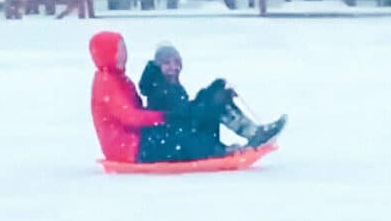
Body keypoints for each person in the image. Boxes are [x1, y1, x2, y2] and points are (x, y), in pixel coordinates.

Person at [89, 31, 218, 164]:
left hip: (138, 140)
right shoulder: (106, 83)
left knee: (181, 135)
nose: (124, 54)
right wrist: (164, 117)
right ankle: (214, 151)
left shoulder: (119, 79)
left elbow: (137, 111)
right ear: (107, 54)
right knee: (181, 142)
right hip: (128, 149)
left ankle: (213, 148)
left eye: (124, 49)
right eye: (119, 50)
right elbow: (129, 116)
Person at [139, 42, 286, 150]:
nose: (173, 67)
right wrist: (211, 100)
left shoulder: (167, 84)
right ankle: (251, 134)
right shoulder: (158, 88)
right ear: (159, 66)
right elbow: (180, 116)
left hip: (182, 132)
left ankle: (253, 133)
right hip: (175, 140)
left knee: (216, 95)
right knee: (216, 101)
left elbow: (186, 109)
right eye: (167, 63)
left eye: (176, 63)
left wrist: (212, 93)